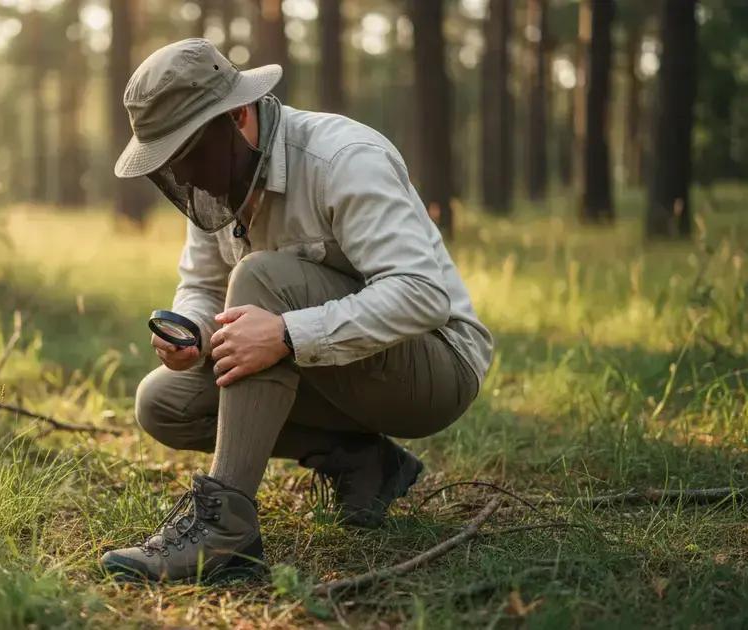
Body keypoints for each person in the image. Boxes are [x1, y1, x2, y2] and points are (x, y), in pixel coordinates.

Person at [99, 39, 493, 583]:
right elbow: (202, 285)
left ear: (235, 116)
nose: (183, 177)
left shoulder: (342, 159)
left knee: (261, 275)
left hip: (435, 369)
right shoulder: (218, 177)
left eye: (187, 156)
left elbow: (423, 294)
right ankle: (362, 462)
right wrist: (190, 327)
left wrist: (286, 334)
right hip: (337, 366)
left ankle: (225, 532)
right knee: (163, 403)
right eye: (168, 163)